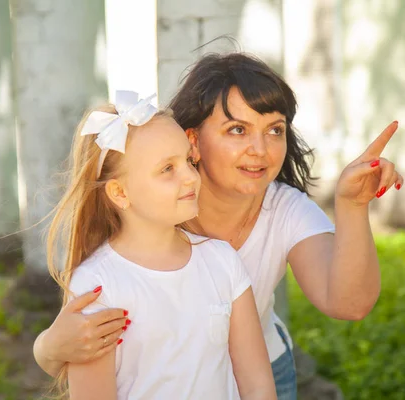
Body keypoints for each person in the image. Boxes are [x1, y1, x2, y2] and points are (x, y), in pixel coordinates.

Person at [34, 54, 403, 400]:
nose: (260, 148)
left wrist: (352, 205)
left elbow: (349, 303)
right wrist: (48, 348)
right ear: (193, 140)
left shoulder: (272, 219)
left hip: (261, 368)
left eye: (274, 130)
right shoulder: (153, 211)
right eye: (238, 129)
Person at [46, 91, 276, 399]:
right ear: (119, 193)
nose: (191, 178)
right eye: (167, 169)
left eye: (188, 161)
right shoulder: (99, 285)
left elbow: (258, 386)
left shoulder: (222, 262)